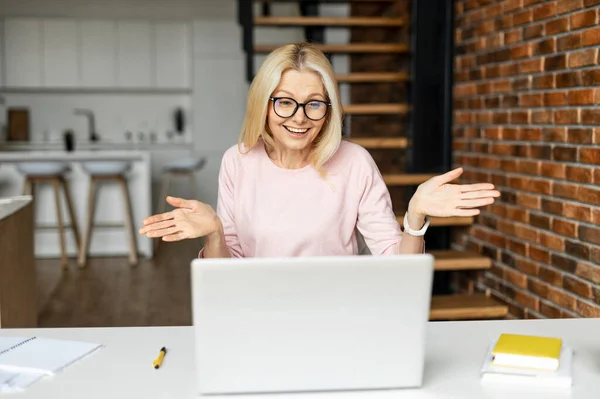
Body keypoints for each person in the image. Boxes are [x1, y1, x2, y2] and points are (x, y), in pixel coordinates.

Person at [139, 42, 500, 258]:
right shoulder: (238, 161)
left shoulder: (354, 161)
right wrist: (214, 232)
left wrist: (416, 215)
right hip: (257, 315)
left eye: (314, 103)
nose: (300, 118)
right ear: (263, 104)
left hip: (338, 315)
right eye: (284, 102)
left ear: (330, 109)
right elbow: (226, 271)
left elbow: (398, 265)